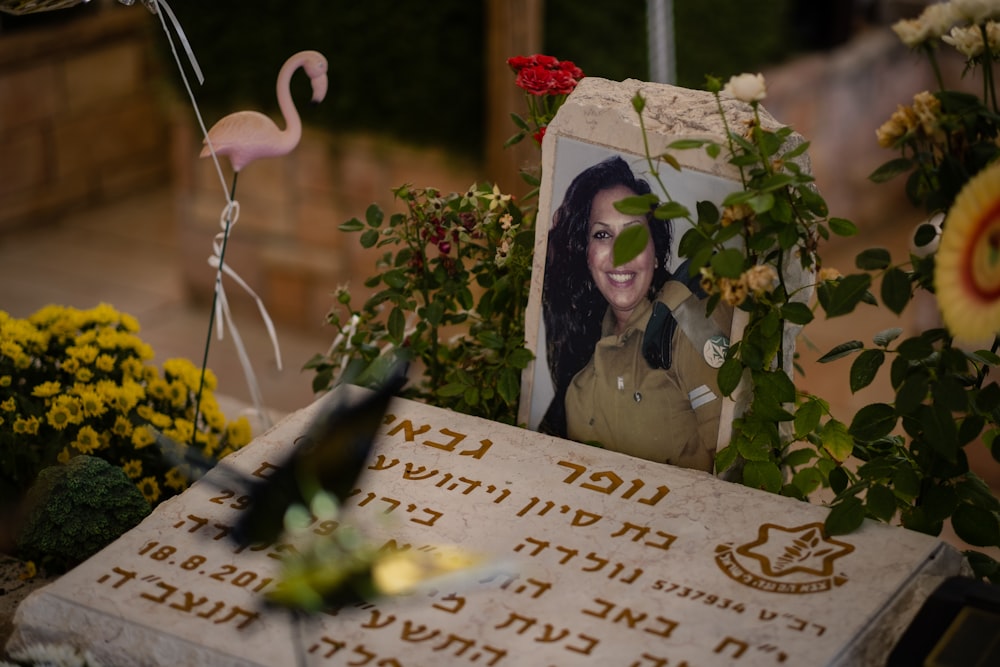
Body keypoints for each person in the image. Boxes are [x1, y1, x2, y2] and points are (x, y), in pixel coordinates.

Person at [540, 155, 730, 473]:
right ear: (586, 256)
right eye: (602, 234)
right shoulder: (578, 385)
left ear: (656, 252)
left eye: (634, 233)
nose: (620, 251)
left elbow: (734, 468)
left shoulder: (688, 324)